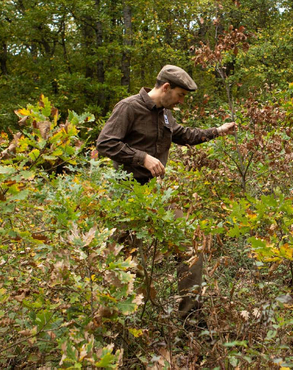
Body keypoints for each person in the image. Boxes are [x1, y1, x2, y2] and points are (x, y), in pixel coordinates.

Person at [96, 64, 236, 328]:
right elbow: (105, 142)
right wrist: (142, 157)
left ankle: (191, 320)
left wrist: (217, 131)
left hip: (156, 196)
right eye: (181, 95)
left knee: (191, 249)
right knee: (122, 261)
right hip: (127, 195)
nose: (182, 101)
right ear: (166, 88)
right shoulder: (128, 107)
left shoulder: (165, 115)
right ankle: (117, 325)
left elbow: (184, 135)